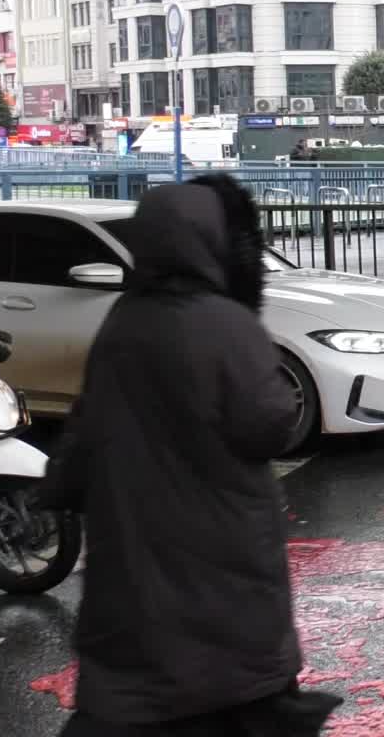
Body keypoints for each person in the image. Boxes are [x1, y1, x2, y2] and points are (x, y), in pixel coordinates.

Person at [44, 176, 336, 735]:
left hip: (129, 561)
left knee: (135, 702)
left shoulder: (123, 321)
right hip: (223, 558)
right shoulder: (227, 324)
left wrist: (60, 488)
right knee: (235, 698)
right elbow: (268, 425)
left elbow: (87, 426)